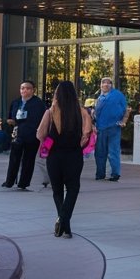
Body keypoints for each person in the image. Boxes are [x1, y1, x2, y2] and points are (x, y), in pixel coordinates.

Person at [36, 80, 92, 238]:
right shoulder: (81, 112)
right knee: (73, 188)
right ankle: (64, 221)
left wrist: (48, 140)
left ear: (57, 94)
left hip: (54, 156)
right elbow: (87, 134)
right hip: (74, 155)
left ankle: (63, 222)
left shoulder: (50, 111)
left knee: (57, 190)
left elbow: (40, 134)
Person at [3, 80, 47, 190]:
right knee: (14, 158)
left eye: (27, 88)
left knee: (28, 160)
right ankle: (9, 181)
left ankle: (23, 183)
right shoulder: (16, 102)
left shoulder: (38, 104)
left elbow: (43, 120)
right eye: (22, 88)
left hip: (32, 136)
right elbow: (11, 118)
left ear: (33, 90)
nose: (24, 90)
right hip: (18, 135)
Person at [93, 77, 127, 182]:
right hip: (101, 128)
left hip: (114, 128)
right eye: (103, 83)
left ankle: (115, 174)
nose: (106, 85)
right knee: (100, 152)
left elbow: (127, 109)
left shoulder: (117, 95)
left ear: (111, 85)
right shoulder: (100, 98)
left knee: (113, 152)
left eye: (108, 83)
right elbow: (96, 114)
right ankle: (100, 173)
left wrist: (124, 120)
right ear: (101, 85)